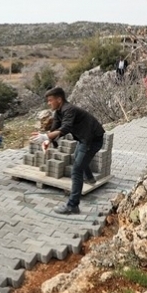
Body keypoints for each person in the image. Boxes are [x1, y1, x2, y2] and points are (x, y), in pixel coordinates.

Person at [30, 87, 104, 215]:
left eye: (50, 100)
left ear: (59, 99)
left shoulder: (69, 109)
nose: (49, 103)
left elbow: (66, 128)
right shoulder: (58, 112)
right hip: (84, 138)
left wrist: (46, 137)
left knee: (77, 170)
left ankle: (72, 206)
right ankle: (90, 179)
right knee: (78, 159)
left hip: (92, 140)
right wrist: (47, 140)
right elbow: (55, 128)